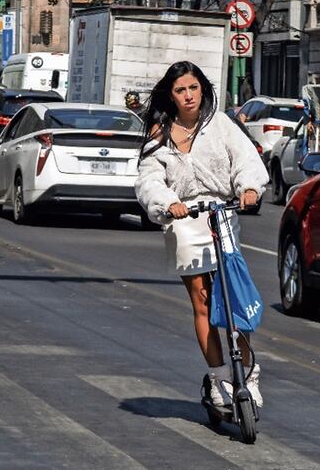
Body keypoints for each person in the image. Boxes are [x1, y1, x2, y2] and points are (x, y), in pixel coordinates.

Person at [135, 61, 269, 409]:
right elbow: (148, 181)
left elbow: (246, 160)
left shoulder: (220, 124)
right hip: (184, 219)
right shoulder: (159, 135)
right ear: (172, 95)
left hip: (222, 213)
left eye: (193, 88)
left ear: (202, 89)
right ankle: (219, 377)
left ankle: (248, 375)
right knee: (203, 301)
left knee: (234, 296)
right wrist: (169, 202)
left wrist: (250, 189)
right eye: (180, 90)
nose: (188, 95)